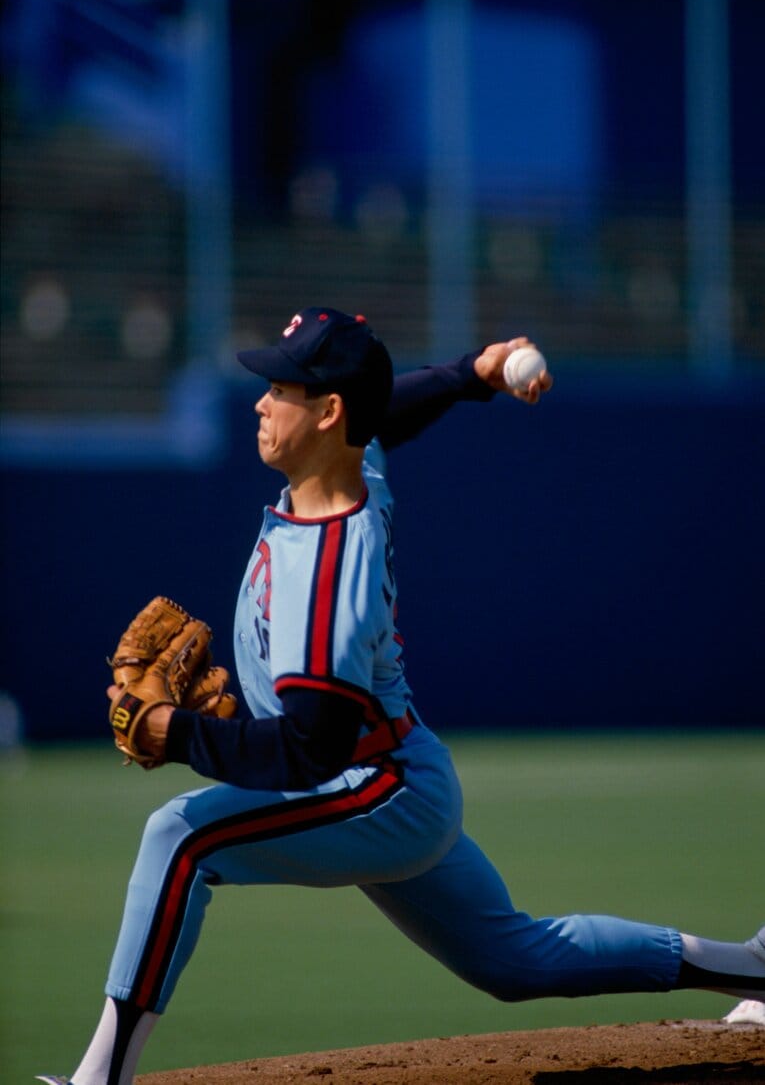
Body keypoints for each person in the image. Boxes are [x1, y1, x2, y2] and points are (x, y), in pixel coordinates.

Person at [38, 308, 764, 1085]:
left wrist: (174, 732)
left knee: (178, 838)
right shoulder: (350, 469)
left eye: (281, 387)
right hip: (397, 769)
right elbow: (385, 413)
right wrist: (469, 375)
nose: (259, 401)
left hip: (373, 790)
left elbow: (309, 750)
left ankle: (96, 1080)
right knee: (514, 959)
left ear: (326, 412)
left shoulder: (327, 572)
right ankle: (753, 967)